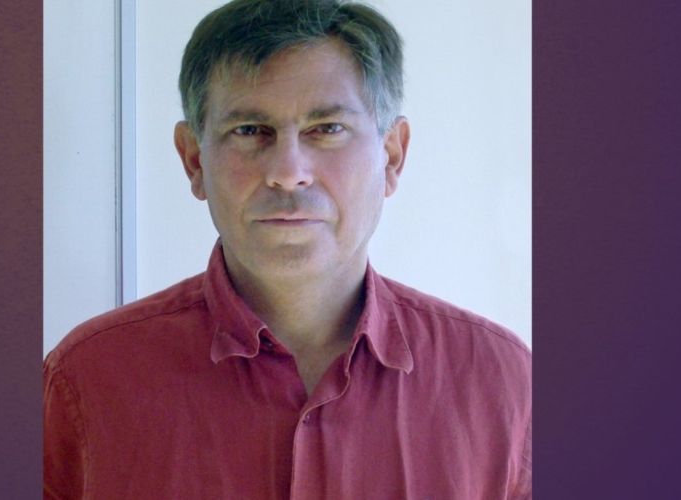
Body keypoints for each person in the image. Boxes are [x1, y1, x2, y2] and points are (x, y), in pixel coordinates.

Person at [43, 0, 531, 498]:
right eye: (250, 131)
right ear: (193, 160)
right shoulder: (88, 379)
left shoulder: (500, 382)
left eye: (327, 129)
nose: (288, 170)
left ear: (392, 156)